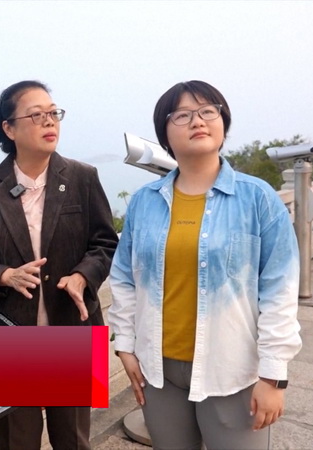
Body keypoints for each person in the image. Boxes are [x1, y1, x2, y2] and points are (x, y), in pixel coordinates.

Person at [108, 80, 302, 449]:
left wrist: (274, 376)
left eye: (207, 111)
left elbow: (280, 290)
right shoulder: (145, 202)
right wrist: (126, 346)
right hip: (158, 370)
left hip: (231, 369)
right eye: (182, 115)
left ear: (223, 122)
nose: (197, 121)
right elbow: (123, 278)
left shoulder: (257, 198)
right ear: (164, 134)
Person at [0, 80, 118, 450]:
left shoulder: (83, 177)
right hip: (10, 336)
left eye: (53, 113)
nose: (49, 121)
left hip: (76, 328)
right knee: (18, 440)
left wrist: (82, 276)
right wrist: (4, 275)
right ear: (9, 129)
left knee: (74, 439)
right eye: (36, 115)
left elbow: (105, 242)